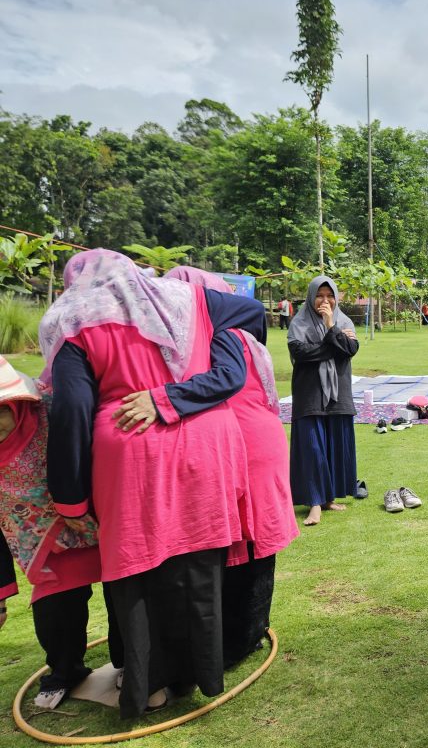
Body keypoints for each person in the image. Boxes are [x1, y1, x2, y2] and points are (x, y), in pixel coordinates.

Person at [40, 249, 266, 718]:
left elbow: (72, 412)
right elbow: (253, 310)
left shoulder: (74, 318)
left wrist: (70, 496)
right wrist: (201, 353)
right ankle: (199, 673)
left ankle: (151, 683)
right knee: (196, 567)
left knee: (138, 571)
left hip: (132, 455)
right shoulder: (184, 300)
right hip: (204, 449)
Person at [165, 266, 298, 667]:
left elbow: (225, 384)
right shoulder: (231, 333)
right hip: (246, 441)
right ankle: (242, 632)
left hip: (245, 446)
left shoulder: (220, 335)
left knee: (250, 542)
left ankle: (243, 637)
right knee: (241, 543)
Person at [0, 357, 104, 709]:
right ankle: (65, 670)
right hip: (42, 547)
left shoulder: (52, 413)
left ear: (18, 403)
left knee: (127, 600)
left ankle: (131, 662)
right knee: (54, 616)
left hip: (96, 523)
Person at [288, 276, 360, 526]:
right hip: (310, 394)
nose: (325, 301)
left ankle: (328, 499)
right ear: (310, 297)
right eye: (320, 295)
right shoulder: (299, 322)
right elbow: (301, 352)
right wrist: (336, 339)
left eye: (330, 296)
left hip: (338, 394)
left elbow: (350, 351)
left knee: (333, 447)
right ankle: (314, 504)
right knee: (312, 448)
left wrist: (331, 326)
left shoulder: (343, 320)